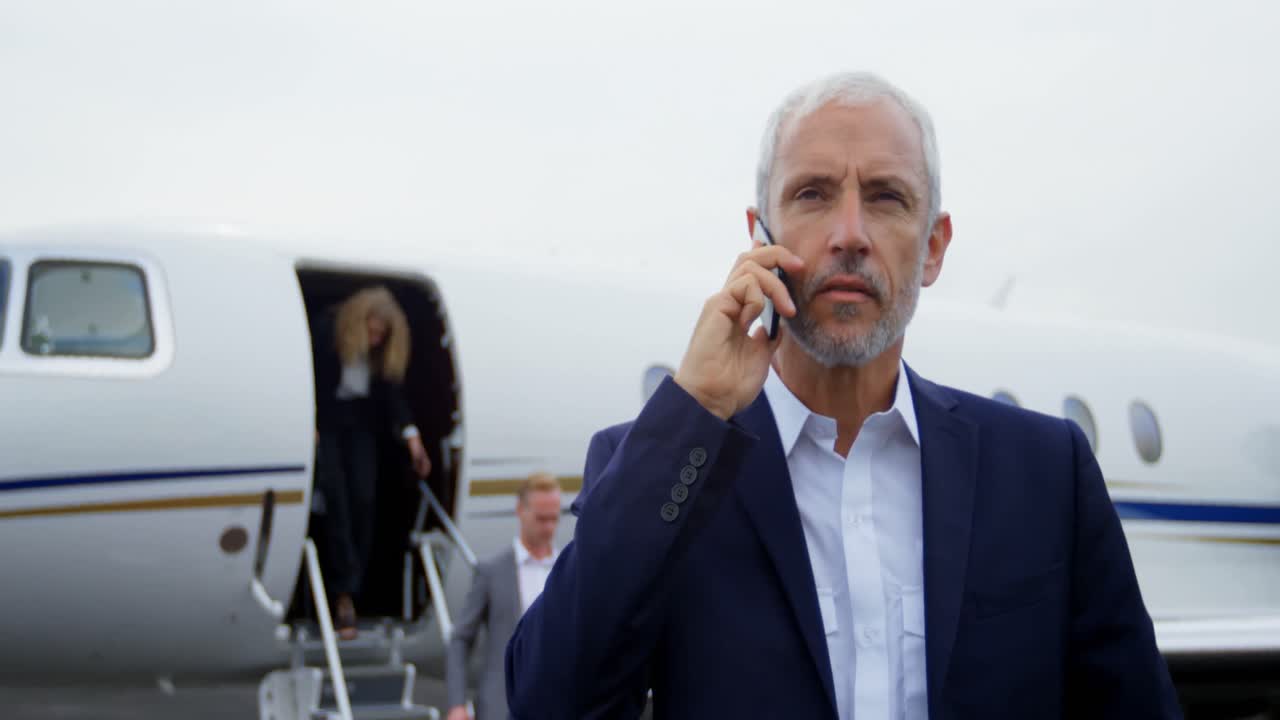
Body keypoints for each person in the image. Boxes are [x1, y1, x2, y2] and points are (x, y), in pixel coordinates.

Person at [506, 72, 1182, 719]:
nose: (850, 234)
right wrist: (694, 413)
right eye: (812, 194)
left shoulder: (1045, 475)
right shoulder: (662, 473)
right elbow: (550, 702)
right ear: (757, 236)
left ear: (934, 248)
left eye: (887, 196)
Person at [311, 286, 431, 640]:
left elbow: (393, 395)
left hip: (361, 422)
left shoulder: (381, 353)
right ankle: (342, 594)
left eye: (382, 334)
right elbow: (310, 375)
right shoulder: (328, 328)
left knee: (364, 499)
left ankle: (352, 587)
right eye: (373, 330)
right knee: (336, 500)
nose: (376, 339)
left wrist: (412, 437)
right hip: (329, 419)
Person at [446, 473, 562, 720]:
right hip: (502, 706)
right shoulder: (492, 570)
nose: (549, 528)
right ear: (521, 510)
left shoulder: (568, 570)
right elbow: (460, 639)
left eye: (554, 519)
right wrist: (457, 704)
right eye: (541, 519)